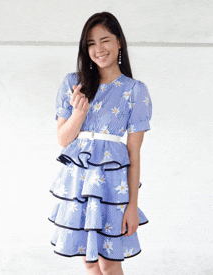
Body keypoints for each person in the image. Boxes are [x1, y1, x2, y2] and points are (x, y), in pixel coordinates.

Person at [48, 11, 152, 275]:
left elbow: (134, 153)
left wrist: (131, 205)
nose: (98, 49)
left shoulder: (134, 90)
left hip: (111, 186)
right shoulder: (73, 83)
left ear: (119, 42)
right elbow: (62, 139)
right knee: (90, 262)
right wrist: (79, 114)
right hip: (79, 182)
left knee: (109, 261)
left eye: (104, 40)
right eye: (91, 44)